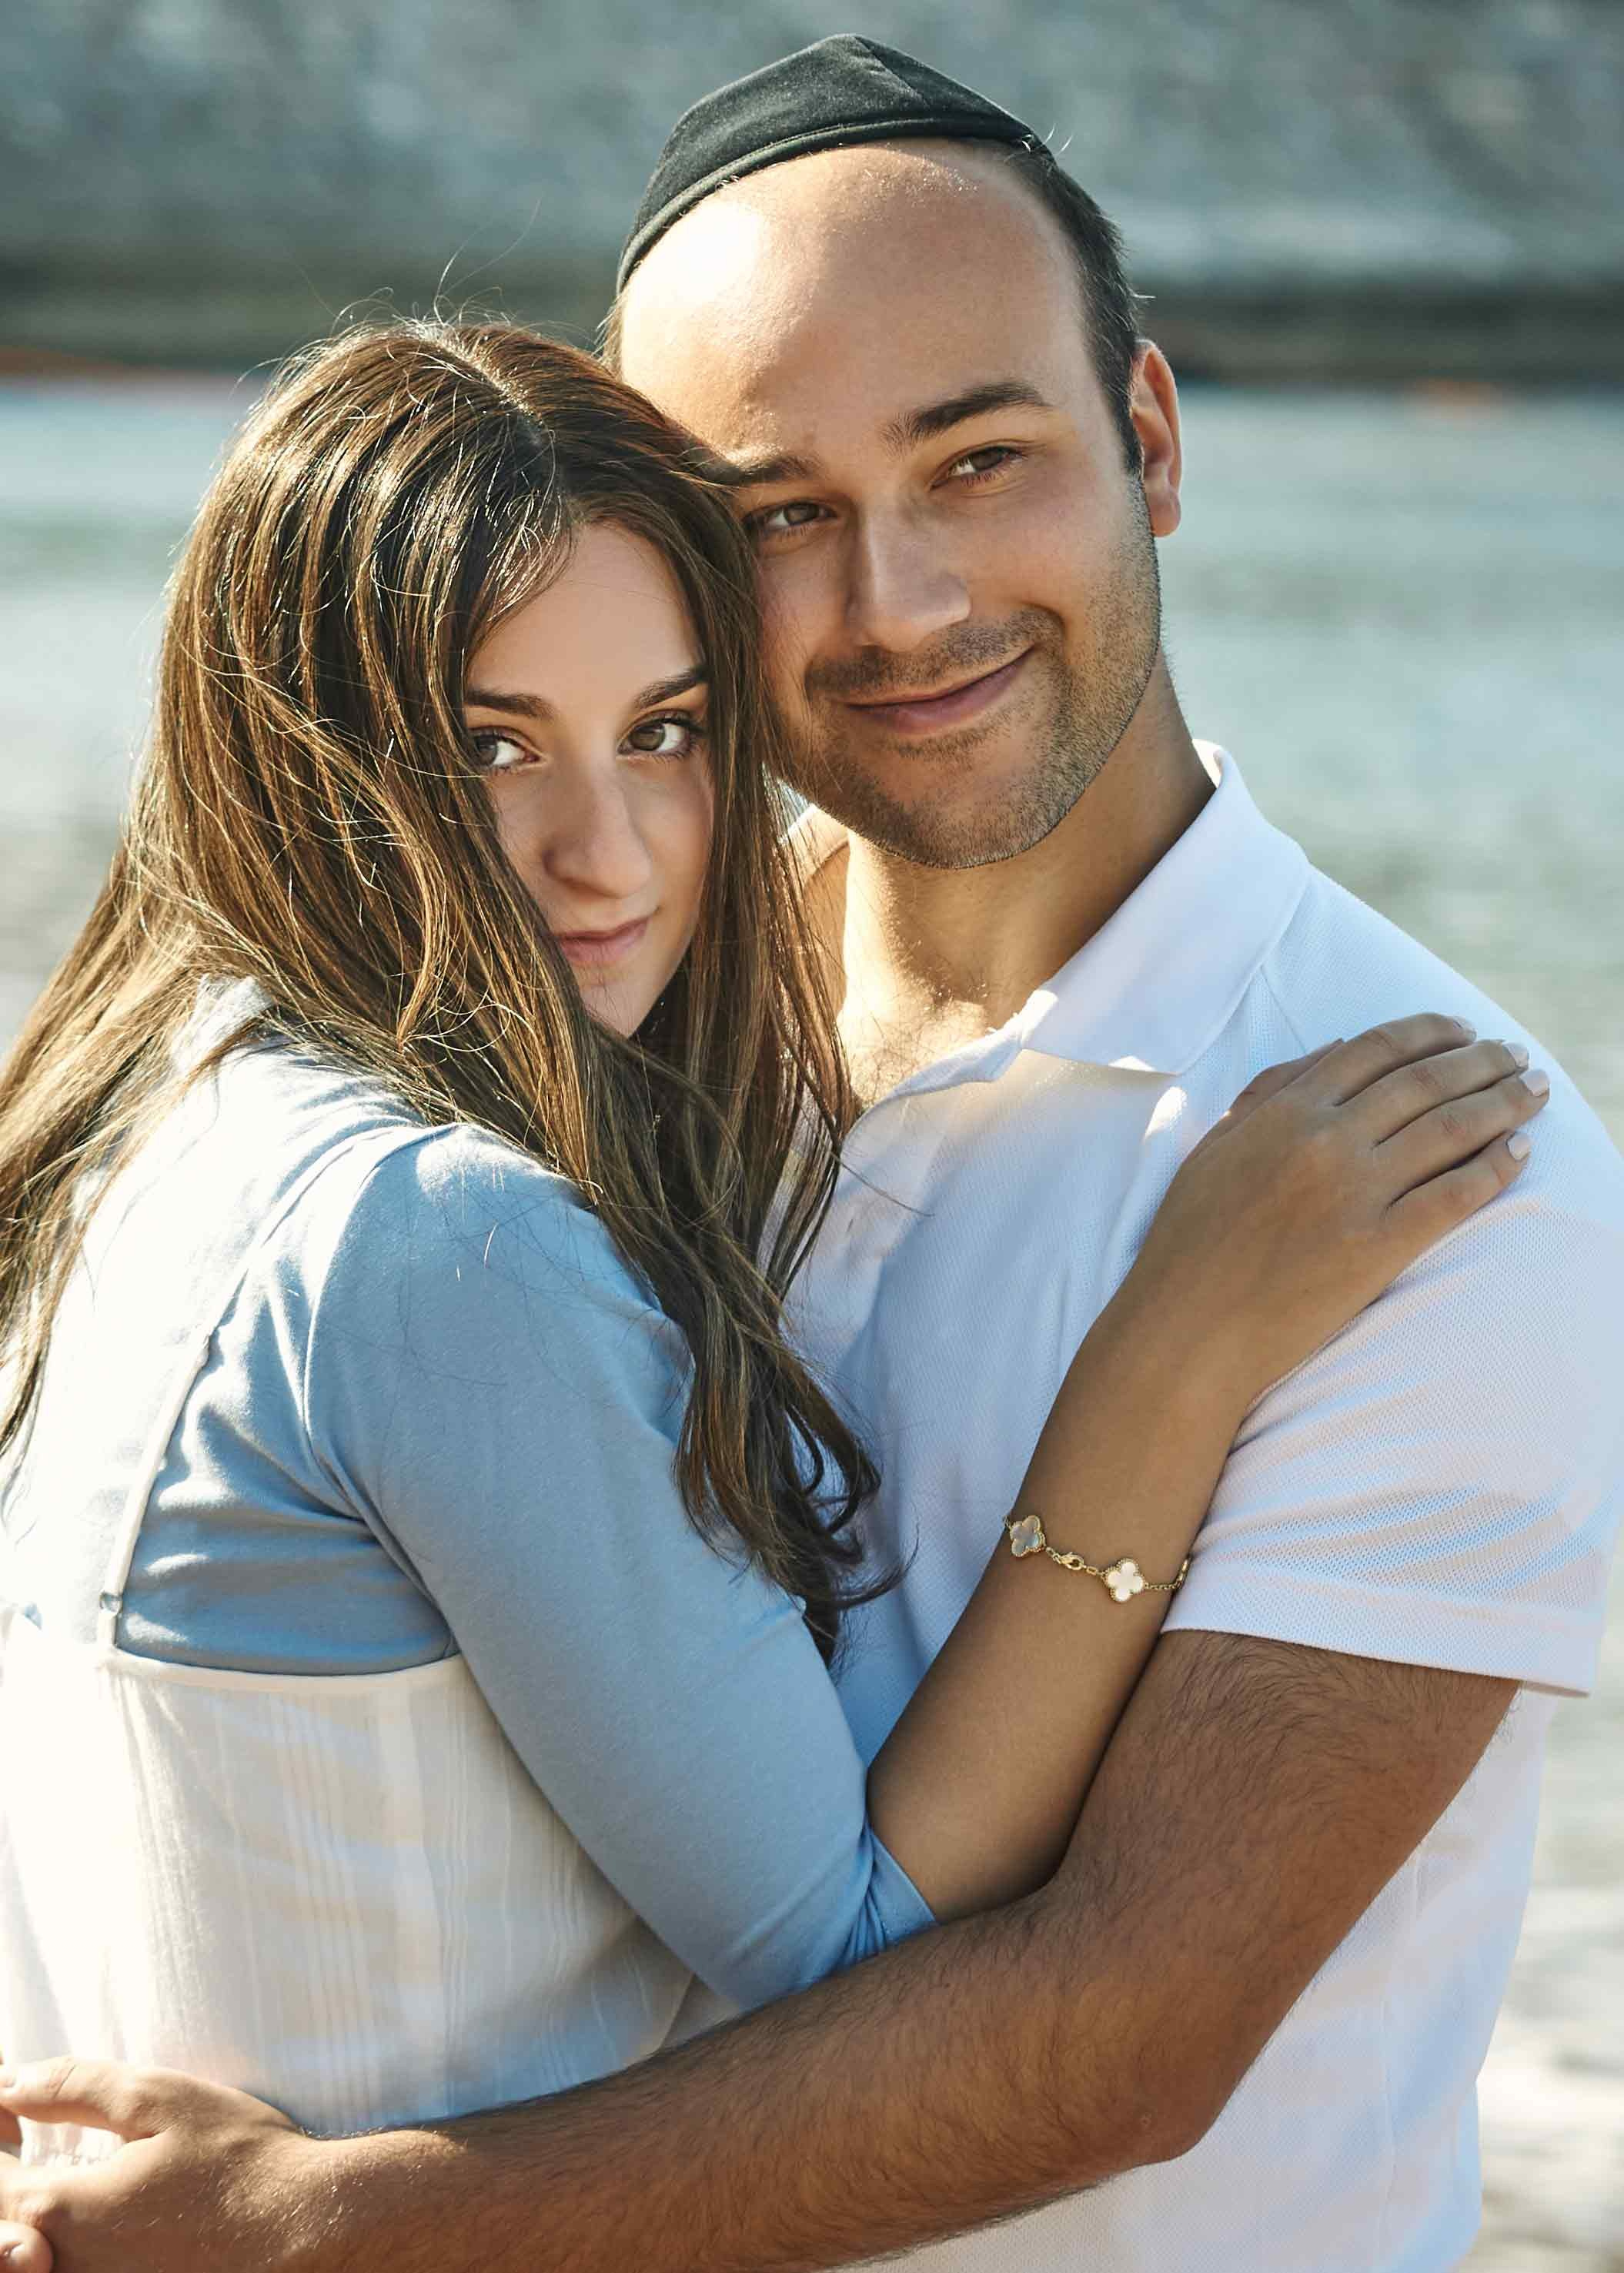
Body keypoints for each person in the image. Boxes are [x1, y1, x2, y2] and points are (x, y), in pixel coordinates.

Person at [1, 35, 1619, 2273]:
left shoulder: (1431, 1177)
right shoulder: (608, 1014)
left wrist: (326, 2228)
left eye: (980, 460)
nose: (900, 600)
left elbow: (1124, 2039)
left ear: (1150, 440)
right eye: (778, 515)